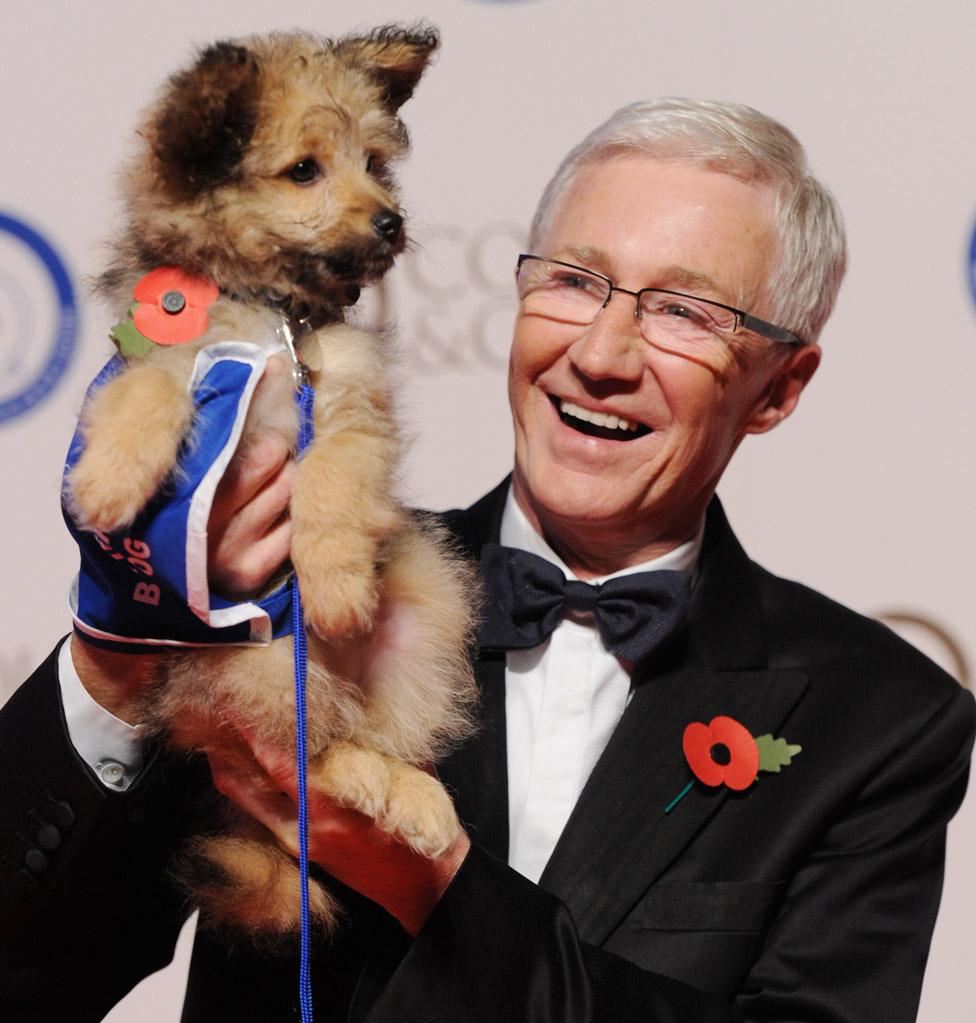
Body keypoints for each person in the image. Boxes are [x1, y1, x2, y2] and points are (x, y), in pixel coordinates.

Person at [2, 98, 973, 1022]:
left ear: (778, 386)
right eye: (573, 281)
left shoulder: (881, 723)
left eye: (683, 311)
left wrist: (433, 892)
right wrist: (114, 668)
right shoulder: (295, 591)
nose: (601, 353)